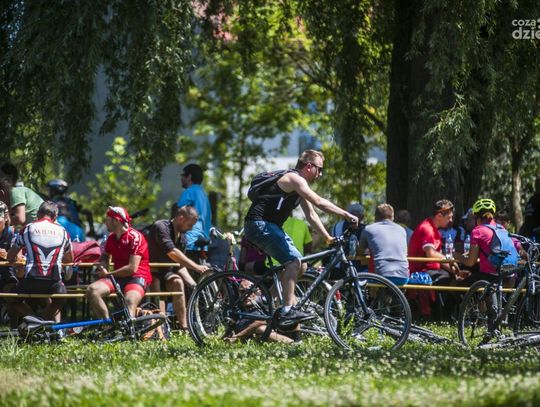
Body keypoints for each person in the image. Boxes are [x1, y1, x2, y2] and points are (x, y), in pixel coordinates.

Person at [244, 149, 358, 326]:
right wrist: (346, 214)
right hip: (259, 224)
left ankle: (264, 300)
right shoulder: (294, 179)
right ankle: (287, 310)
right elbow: (319, 202)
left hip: (269, 226)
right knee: (293, 262)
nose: (320, 174)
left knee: (301, 265)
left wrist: (327, 237)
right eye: (320, 169)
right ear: (309, 166)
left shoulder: (298, 187)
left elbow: (311, 215)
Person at [6, 201, 73, 322]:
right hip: (54, 283)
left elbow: (10, 256)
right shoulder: (63, 232)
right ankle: (41, 321)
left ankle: (36, 321)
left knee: (11, 298)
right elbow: (70, 259)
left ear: (38, 214)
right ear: (55, 216)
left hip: (30, 281)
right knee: (61, 298)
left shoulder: (27, 229)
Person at [147, 205, 210, 330]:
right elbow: (172, 252)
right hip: (151, 270)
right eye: (190, 225)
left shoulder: (183, 237)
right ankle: (160, 329)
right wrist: (196, 266)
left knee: (178, 282)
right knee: (156, 284)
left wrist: (194, 285)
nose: (191, 228)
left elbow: (179, 265)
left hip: (166, 272)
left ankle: (184, 327)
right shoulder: (161, 227)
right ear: (181, 218)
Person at [86, 207, 152, 318]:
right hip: (117, 278)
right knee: (92, 290)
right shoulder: (111, 238)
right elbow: (105, 255)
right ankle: (107, 324)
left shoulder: (135, 237)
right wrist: (103, 265)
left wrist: (108, 274)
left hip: (137, 277)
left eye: (107, 220)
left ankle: (129, 328)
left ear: (116, 220)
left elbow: (132, 268)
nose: (105, 223)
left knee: (129, 301)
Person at [407, 199, 459, 319]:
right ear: (439, 216)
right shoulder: (427, 229)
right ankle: (445, 317)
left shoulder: (434, 230)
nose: (451, 220)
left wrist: (456, 272)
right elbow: (431, 254)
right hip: (420, 272)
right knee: (453, 283)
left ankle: (445, 317)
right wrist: (450, 260)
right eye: (449, 217)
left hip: (431, 270)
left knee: (456, 279)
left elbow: (438, 257)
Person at [454, 199, 519, 286]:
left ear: (477, 218)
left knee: (457, 288)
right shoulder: (501, 228)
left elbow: (470, 262)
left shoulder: (478, 231)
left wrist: (457, 256)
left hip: (490, 278)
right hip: (510, 277)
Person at [359, 204, 409, 286]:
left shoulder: (368, 229)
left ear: (375, 217)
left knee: (359, 277)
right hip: (403, 277)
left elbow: (360, 251)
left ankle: (371, 294)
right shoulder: (402, 230)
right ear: (392, 217)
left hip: (381, 276)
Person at [177, 164, 212, 264]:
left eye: (183, 175)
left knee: (181, 269)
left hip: (189, 240)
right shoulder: (203, 193)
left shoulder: (189, 192)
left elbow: (180, 215)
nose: (181, 178)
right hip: (203, 240)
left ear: (189, 177)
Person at [0, 202, 18, 327]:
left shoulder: (11, 234)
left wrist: (10, 255)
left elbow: (17, 256)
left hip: (7, 274)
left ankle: (14, 327)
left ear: (6, 218)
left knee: (12, 291)